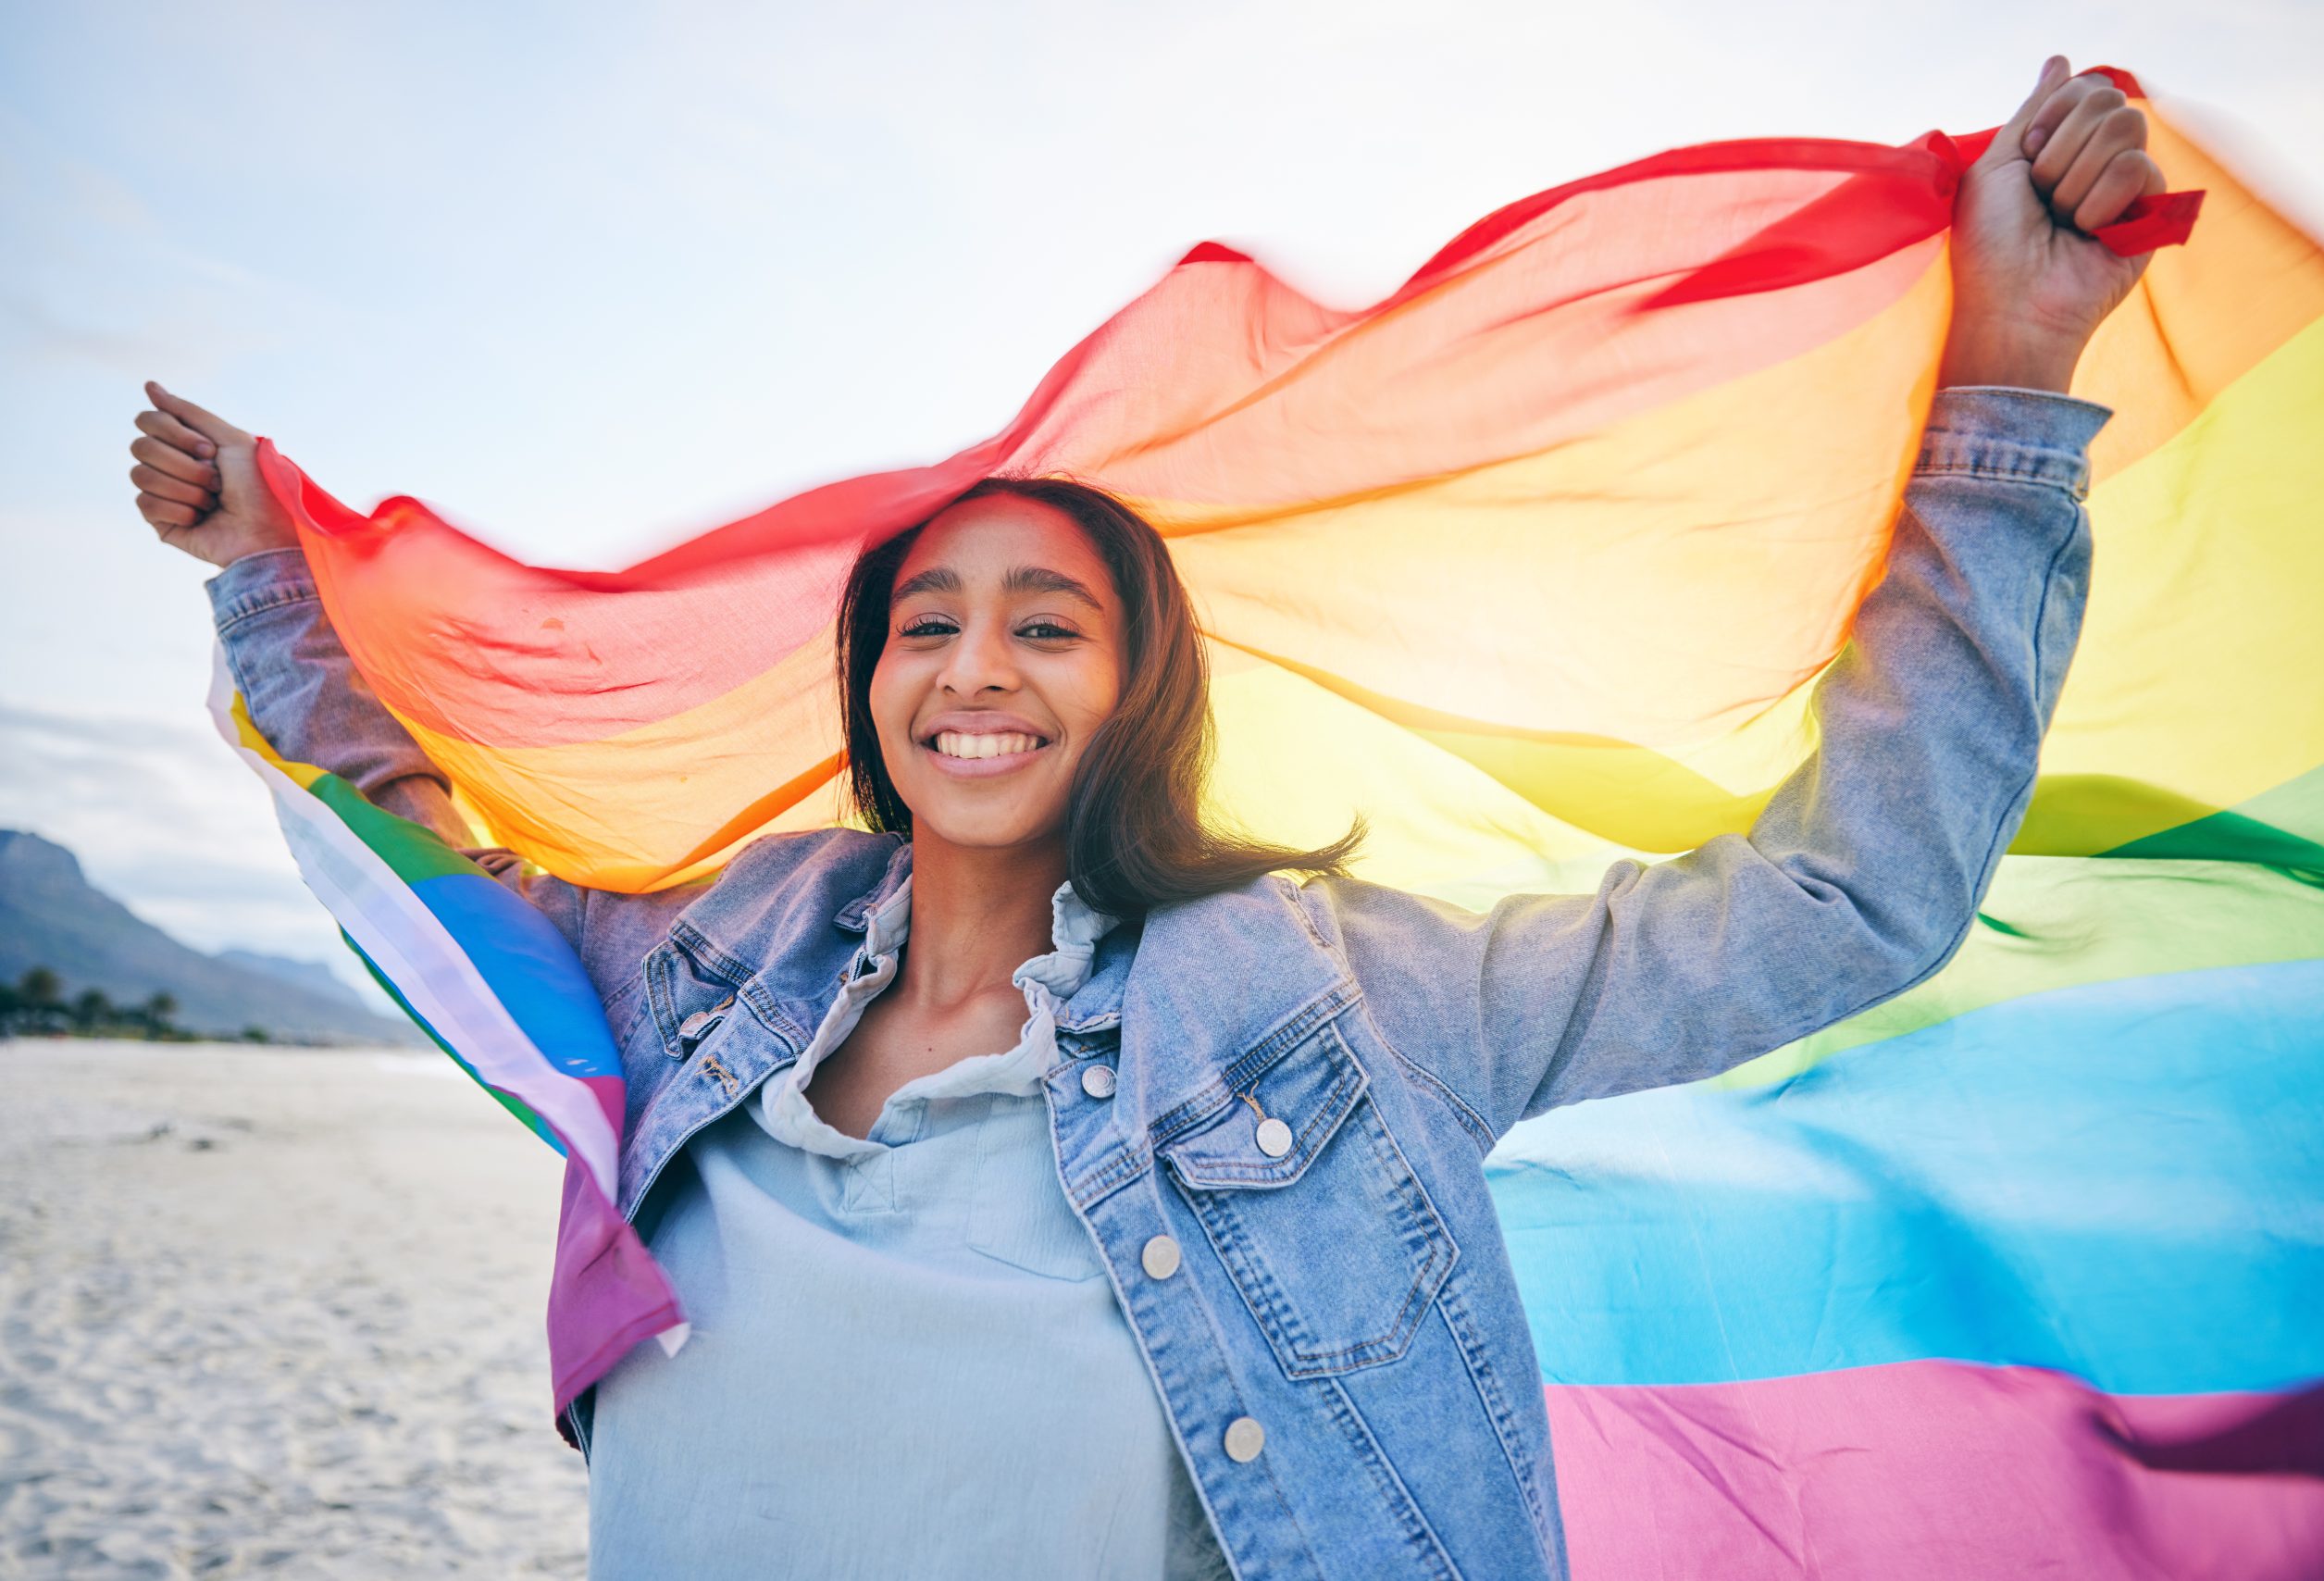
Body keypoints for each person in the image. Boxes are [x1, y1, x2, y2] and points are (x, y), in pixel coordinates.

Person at [127, 56, 2160, 1581]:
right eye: (925, 622)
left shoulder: (1325, 994)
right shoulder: (712, 963)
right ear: (873, 691)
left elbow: (1832, 897)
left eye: (1045, 622)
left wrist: (2009, 369)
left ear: (1136, 691)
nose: (974, 665)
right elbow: (435, 895)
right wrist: (263, 579)